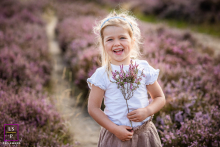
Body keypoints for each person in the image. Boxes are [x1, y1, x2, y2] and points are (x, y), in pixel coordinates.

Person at [87, 9, 166, 147]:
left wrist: (147, 111)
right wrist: (115, 129)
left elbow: (159, 97)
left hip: (144, 135)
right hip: (116, 137)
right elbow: (93, 108)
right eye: (110, 39)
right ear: (104, 44)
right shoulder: (102, 74)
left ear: (133, 41)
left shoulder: (143, 68)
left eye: (122, 37)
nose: (116, 43)